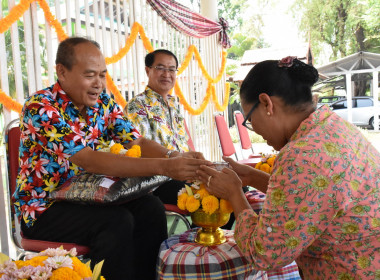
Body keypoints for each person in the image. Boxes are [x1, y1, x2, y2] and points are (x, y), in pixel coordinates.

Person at [13, 37, 209, 280]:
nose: (98, 84)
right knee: (116, 222)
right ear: (61, 72)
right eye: (90, 75)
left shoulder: (102, 102)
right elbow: (89, 160)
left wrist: (175, 155)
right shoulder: (40, 107)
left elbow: (134, 140)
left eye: (103, 75)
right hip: (45, 207)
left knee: (151, 207)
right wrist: (167, 166)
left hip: (92, 198)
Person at [197, 57, 380, 279]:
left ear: (266, 103)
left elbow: (264, 254)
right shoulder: (333, 127)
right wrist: (250, 176)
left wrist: (234, 194)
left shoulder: (302, 156)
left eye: (250, 121)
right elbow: (312, 198)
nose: (257, 132)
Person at [124, 49, 190, 205]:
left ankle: (202, 229)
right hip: (157, 182)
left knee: (234, 187)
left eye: (171, 69)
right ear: (148, 70)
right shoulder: (136, 106)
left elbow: (182, 146)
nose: (167, 74)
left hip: (182, 174)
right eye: (160, 68)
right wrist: (173, 160)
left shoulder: (174, 105)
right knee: (216, 192)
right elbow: (138, 148)